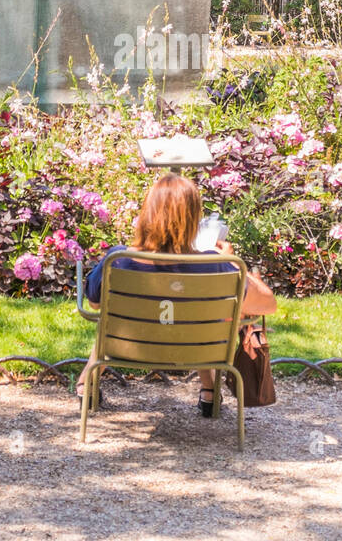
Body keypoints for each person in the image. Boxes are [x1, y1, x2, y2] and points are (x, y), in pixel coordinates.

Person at [78, 174, 276, 415]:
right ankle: (210, 391)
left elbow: (94, 303)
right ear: (194, 218)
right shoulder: (215, 265)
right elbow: (268, 304)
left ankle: (85, 385)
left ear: (147, 214)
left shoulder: (117, 260)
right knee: (201, 322)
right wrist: (231, 263)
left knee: (113, 319)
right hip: (196, 348)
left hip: (130, 347)